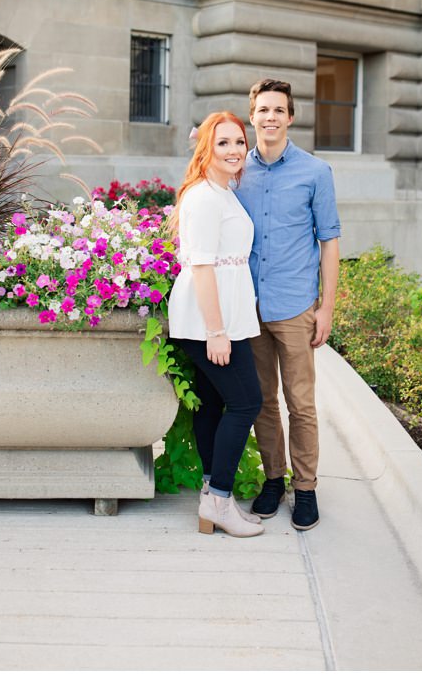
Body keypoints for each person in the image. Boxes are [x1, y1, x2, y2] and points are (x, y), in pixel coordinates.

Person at [233, 78, 341, 530]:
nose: (271, 118)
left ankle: (307, 488)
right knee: (262, 401)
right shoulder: (237, 170)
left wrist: (326, 308)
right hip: (249, 305)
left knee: (301, 402)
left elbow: (329, 241)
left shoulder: (315, 172)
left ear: (290, 117)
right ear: (252, 115)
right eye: (263, 110)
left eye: (279, 110)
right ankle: (273, 479)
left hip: (295, 305)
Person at [167, 110, 265, 538]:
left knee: (212, 403)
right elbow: (203, 267)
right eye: (223, 142)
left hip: (222, 317)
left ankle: (212, 495)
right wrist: (217, 331)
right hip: (210, 321)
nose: (234, 150)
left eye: (239, 142)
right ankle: (220, 500)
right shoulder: (205, 197)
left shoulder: (222, 191)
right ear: (206, 147)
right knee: (246, 403)